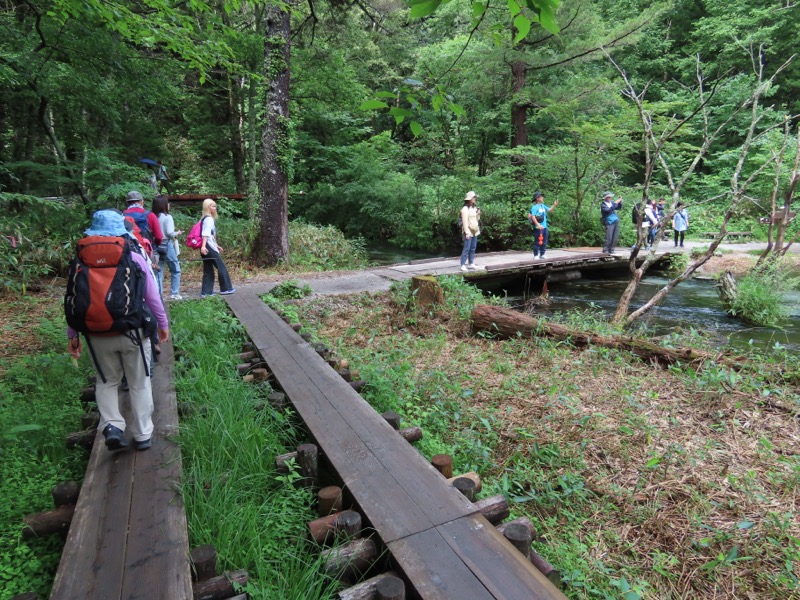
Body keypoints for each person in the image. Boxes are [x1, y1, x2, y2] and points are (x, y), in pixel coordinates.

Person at [66, 209, 169, 451]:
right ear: (121, 233)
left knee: (107, 382)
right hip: (131, 332)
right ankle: (143, 434)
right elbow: (152, 298)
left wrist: (73, 336)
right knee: (139, 382)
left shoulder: (79, 261)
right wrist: (162, 325)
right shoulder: (133, 257)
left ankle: (112, 425)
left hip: (95, 334)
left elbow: (73, 298)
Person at [200, 198, 235, 297]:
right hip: (207, 246)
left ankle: (206, 292)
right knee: (221, 266)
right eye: (212, 206)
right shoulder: (209, 219)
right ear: (207, 207)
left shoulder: (204, 219)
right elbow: (205, 234)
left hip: (207, 245)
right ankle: (226, 288)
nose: (214, 208)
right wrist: (203, 246)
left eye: (215, 206)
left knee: (208, 269)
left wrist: (216, 245)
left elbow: (210, 235)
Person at [153, 195, 182, 300]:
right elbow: (169, 233)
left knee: (158, 270)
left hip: (155, 245)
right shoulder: (167, 217)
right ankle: (174, 293)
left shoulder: (153, 217)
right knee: (175, 269)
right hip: (166, 244)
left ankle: (158, 295)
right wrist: (177, 233)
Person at [528, 191, 558, 260]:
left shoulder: (543, 206)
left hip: (544, 227)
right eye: (541, 197)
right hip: (538, 228)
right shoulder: (534, 207)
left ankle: (542, 254)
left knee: (544, 241)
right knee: (537, 241)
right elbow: (533, 216)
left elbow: (549, 210)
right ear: (537, 198)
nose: (542, 198)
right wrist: (538, 225)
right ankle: (536, 255)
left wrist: (554, 205)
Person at [459, 191, 482, 271]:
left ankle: (471, 263)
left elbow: (477, 219)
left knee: (473, 248)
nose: (475, 199)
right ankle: (462, 264)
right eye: (473, 197)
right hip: (468, 231)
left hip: (475, 231)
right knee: (466, 248)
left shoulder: (474, 208)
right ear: (469, 199)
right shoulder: (465, 209)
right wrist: (467, 233)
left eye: (475, 197)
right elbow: (464, 222)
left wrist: (478, 213)